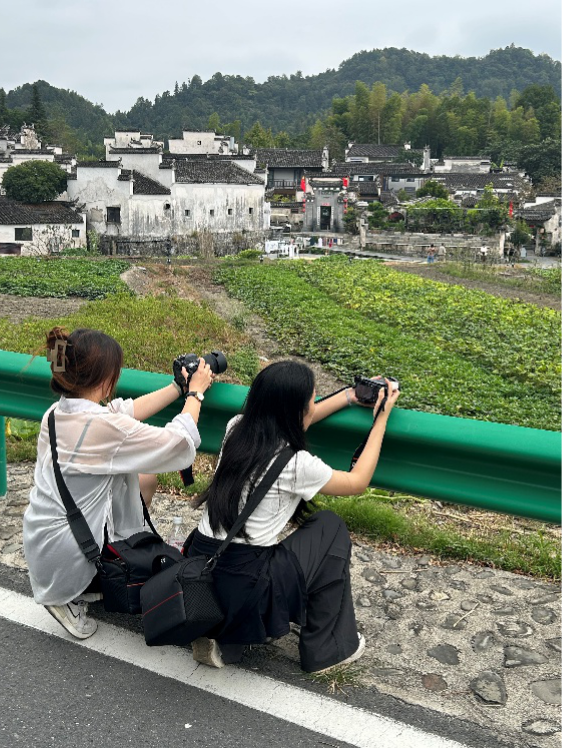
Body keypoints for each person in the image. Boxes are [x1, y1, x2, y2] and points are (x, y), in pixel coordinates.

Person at [187, 361, 400, 674]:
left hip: (201, 569)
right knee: (328, 527)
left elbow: (291, 420)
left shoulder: (236, 428)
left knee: (252, 561)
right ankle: (327, 650)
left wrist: (348, 397)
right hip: (244, 583)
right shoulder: (298, 465)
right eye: (312, 400)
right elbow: (357, 482)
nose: (314, 405)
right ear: (299, 409)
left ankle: (223, 636)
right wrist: (381, 418)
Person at [23, 327, 213, 640]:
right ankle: (70, 594)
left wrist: (176, 388)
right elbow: (178, 443)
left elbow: (121, 411)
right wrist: (196, 394)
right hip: (66, 556)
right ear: (105, 379)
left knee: (144, 478)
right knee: (143, 475)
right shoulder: (101, 427)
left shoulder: (56, 413)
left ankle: (99, 567)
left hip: (40, 538)